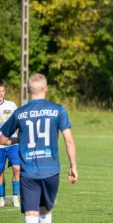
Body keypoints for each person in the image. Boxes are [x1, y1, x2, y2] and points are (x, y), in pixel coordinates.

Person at [0, 73, 77, 223]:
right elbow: (69, 141)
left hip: (29, 171)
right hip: (51, 170)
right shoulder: (58, 110)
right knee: (45, 211)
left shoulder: (19, 112)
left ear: (28, 90)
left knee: (30, 213)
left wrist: (19, 140)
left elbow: (2, 138)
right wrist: (73, 166)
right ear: (46, 89)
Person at [0, 83, 20, 207]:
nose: (0, 93)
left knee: (17, 169)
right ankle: (2, 198)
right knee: (0, 172)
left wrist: (20, 136)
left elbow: (18, 122)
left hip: (12, 142)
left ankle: (15, 197)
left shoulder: (11, 105)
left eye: (2, 91)